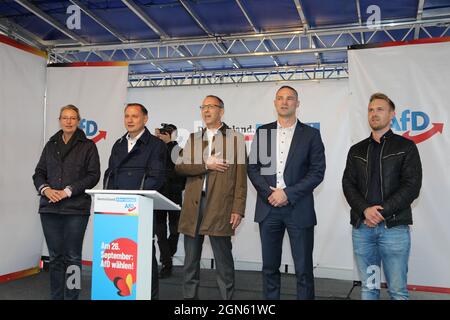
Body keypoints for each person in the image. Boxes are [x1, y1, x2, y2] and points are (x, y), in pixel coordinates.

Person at [247, 86, 326, 300]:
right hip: (268, 208)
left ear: (297, 104)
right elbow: (253, 168)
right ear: (274, 103)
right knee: (269, 268)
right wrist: (270, 194)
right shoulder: (263, 133)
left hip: (298, 209)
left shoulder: (311, 135)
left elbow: (317, 172)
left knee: (303, 270)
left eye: (290, 98)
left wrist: (287, 194)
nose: (285, 102)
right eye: (280, 98)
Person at [342, 92, 422, 300]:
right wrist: (365, 211)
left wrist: (381, 212)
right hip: (363, 230)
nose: (374, 114)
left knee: (397, 291)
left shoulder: (406, 147)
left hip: (393, 229)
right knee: (369, 288)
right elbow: (348, 184)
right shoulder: (356, 150)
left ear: (392, 114)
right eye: (370, 110)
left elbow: (412, 186)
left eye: (380, 109)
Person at [175, 95, 247, 300]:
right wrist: (206, 164)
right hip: (193, 205)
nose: (206, 111)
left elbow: (241, 178)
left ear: (221, 111)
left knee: (223, 261)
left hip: (221, 206)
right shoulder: (192, 138)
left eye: (211, 107)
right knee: (190, 261)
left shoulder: (235, 138)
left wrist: (238, 208)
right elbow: (180, 167)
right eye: (203, 107)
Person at [33, 104, 100, 300]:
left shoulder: (88, 146)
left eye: (72, 118)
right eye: (65, 118)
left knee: (73, 258)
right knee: (55, 258)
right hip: (50, 209)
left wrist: (68, 191)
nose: (68, 121)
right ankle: (56, 297)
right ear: (60, 120)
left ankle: (72, 297)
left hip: (76, 210)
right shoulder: (50, 145)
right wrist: (46, 190)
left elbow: (93, 175)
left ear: (79, 121)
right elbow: (38, 173)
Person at [104, 103, 167, 299]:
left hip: (141, 209)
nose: (130, 120)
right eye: (126, 116)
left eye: (135, 116)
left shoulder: (156, 145)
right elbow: (110, 174)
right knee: (121, 257)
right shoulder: (118, 144)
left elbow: (156, 177)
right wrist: (109, 199)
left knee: (144, 258)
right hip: (117, 210)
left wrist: (132, 199)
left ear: (145, 119)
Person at [154, 123, 186, 278]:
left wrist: (177, 187)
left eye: (165, 133)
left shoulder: (178, 150)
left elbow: (183, 173)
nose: (162, 135)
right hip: (158, 195)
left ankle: (167, 254)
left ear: (171, 134)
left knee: (174, 231)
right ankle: (167, 263)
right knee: (160, 233)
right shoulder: (156, 150)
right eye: (161, 133)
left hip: (174, 196)